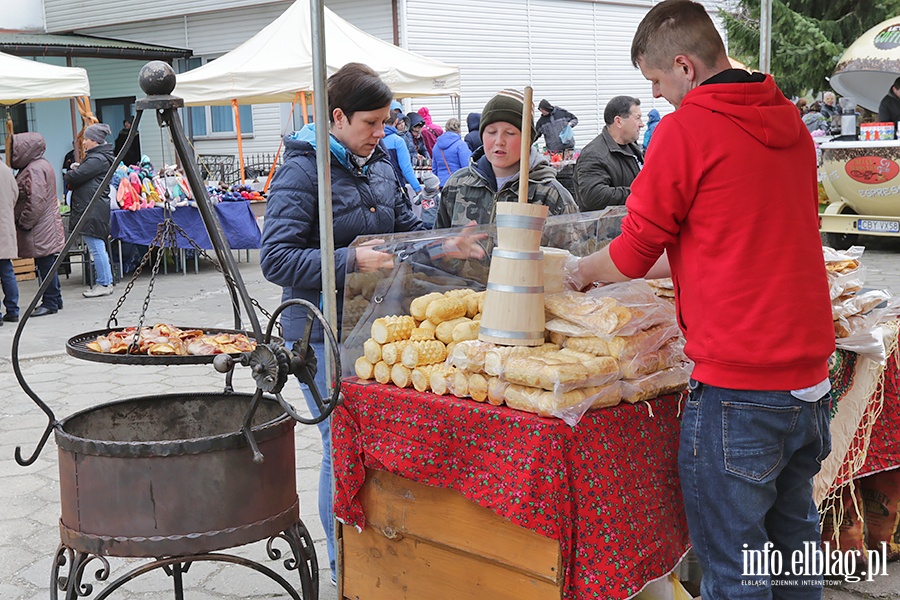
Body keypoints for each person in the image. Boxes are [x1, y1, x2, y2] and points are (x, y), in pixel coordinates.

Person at [568, 2, 834, 598]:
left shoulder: (686, 129)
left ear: (684, 67)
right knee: (796, 557)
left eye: (656, 82)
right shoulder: (787, 118)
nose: (657, 97)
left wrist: (579, 271)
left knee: (736, 573)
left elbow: (632, 254)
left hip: (739, 386)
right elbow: (722, 237)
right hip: (809, 382)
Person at [260, 62, 427, 586]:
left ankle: (379, 551)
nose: (382, 134)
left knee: (380, 441)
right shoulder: (302, 169)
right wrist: (351, 261)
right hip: (319, 333)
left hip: (376, 328)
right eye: (371, 123)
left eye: (386, 123)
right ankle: (343, 565)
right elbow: (276, 259)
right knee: (343, 442)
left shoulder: (379, 162)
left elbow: (407, 226)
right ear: (337, 116)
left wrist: (446, 242)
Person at [435, 89, 578, 228]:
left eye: (509, 133)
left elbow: (575, 250)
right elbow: (434, 245)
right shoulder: (457, 185)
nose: (499, 141)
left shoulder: (550, 195)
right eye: (491, 132)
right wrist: (449, 248)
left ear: (527, 140)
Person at [11, 132, 65, 317]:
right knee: (47, 261)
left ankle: (50, 301)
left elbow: (36, 201)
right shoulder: (40, 165)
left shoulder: (34, 169)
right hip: (45, 225)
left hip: (39, 227)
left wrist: (24, 222)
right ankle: (55, 299)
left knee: (45, 263)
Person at [64, 123, 116, 297]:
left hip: (91, 208)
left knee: (95, 246)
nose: (83, 142)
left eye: (86, 139)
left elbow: (76, 177)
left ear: (95, 140)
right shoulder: (98, 157)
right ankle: (106, 281)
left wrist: (71, 173)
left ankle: (104, 283)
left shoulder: (97, 159)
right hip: (92, 206)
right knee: (97, 246)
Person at [573, 95, 644, 211]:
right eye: (638, 118)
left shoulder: (632, 147)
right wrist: (640, 193)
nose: (642, 124)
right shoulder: (594, 154)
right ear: (619, 121)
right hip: (608, 227)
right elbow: (593, 196)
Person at [382, 113, 423, 196]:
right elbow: (406, 169)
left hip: (377, 187)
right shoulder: (398, 141)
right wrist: (417, 189)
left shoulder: (375, 140)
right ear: (396, 121)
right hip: (396, 186)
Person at [0, 160, 19, 324]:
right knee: (7, 270)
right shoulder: (6, 171)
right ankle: (13, 310)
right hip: (4, 226)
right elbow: (15, 195)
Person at [431, 118, 472, 187]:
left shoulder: (436, 146)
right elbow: (467, 167)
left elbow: (434, 168)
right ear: (459, 129)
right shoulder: (461, 145)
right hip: (457, 184)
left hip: (441, 183)